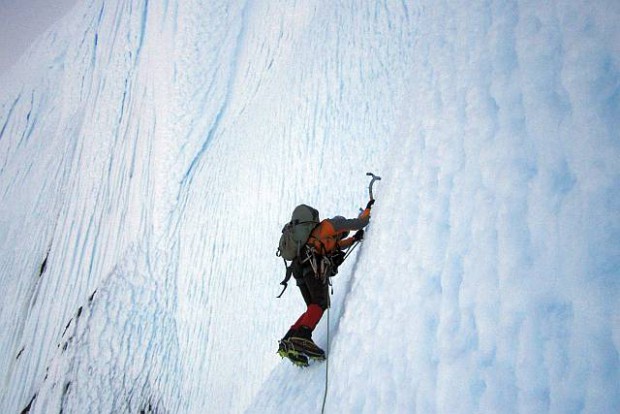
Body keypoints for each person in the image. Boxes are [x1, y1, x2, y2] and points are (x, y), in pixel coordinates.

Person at [278, 200, 374, 362]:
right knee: (320, 302)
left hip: (299, 269)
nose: (342, 235)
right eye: (342, 232)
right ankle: (302, 336)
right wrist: (368, 209)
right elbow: (360, 223)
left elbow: (339, 246)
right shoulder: (331, 224)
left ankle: (289, 339)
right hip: (311, 265)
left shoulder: (321, 239)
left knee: (313, 306)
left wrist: (354, 239)